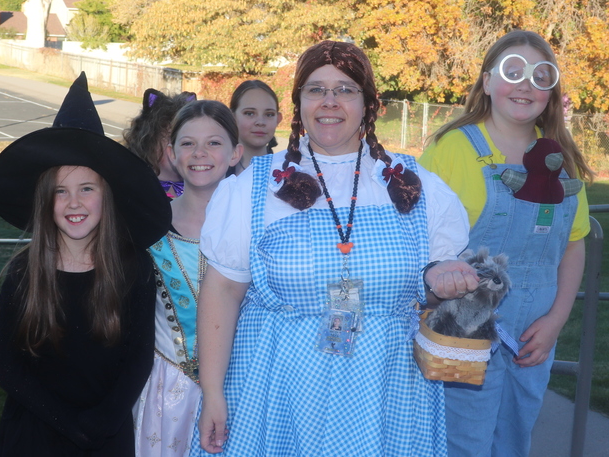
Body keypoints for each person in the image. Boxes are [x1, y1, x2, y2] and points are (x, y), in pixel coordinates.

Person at [193, 40, 475, 456]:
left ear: (369, 104)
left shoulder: (415, 185)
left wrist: (440, 278)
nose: (329, 101)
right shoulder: (254, 186)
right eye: (315, 89)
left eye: (345, 90)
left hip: (385, 389)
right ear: (299, 102)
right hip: (279, 384)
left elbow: (433, 285)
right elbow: (222, 291)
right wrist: (212, 390)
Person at [419, 30, 594, 457]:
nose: (525, 84)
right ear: (486, 81)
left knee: (515, 438)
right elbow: (417, 236)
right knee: (464, 440)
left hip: (535, 333)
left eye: (540, 76)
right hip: (466, 327)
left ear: (551, 92)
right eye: (512, 72)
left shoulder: (561, 159)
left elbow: (573, 244)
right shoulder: (450, 148)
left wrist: (556, 320)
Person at [0, 73, 172, 457]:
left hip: (105, 432)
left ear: (107, 196)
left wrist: (102, 422)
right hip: (34, 433)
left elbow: (138, 357)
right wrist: (68, 424)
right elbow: (3, 363)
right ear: (45, 202)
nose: (74, 203)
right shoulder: (23, 272)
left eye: (87, 188)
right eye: (60, 191)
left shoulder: (133, 270)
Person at [134, 101, 242, 456]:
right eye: (187, 143)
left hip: (239, 383)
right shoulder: (146, 227)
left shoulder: (255, 229)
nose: (200, 153)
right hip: (166, 391)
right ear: (171, 153)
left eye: (213, 142)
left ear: (235, 152)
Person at [125, 88, 197, 199]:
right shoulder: (133, 190)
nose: (182, 145)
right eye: (171, 137)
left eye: (189, 141)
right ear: (148, 141)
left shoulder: (204, 189)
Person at [228, 80, 282, 176]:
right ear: (233, 117)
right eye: (250, 113)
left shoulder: (286, 172)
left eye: (269, 114)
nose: (260, 122)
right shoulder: (216, 172)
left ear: (278, 119)